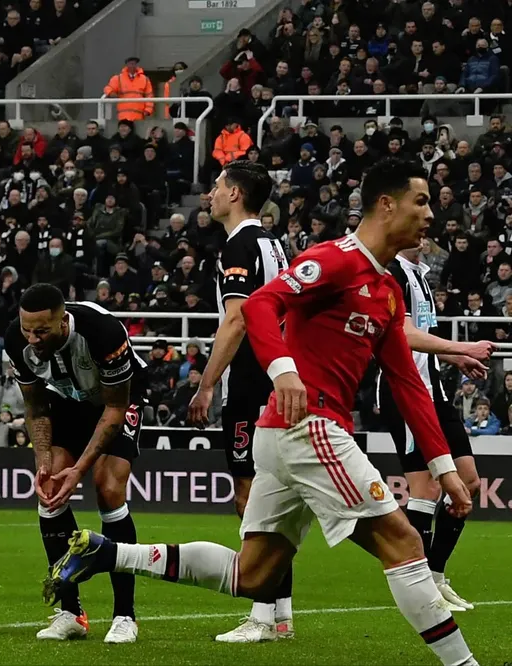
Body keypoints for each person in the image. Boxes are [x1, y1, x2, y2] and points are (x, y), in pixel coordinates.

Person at [43, 159, 478, 666]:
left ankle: (108, 552)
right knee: (404, 543)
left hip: (283, 434)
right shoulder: (336, 260)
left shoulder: (385, 291)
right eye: (421, 202)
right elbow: (259, 306)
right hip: (308, 425)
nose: (431, 215)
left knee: (253, 575)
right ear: (387, 204)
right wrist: (284, 370)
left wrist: (444, 470)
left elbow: (408, 385)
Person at [5, 284, 148, 644]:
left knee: (109, 488)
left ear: (62, 321)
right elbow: (35, 406)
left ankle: (125, 615)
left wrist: (80, 470)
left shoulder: (102, 332)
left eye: (42, 331)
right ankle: (71, 612)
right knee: (50, 487)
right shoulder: (16, 339)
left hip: (118, 398)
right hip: (67, 397)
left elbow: (114, 410)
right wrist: (43, 461)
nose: (33, 338)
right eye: (27, 330)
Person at [187, 160, 293, 642]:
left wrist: (208, 383)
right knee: (273, 495)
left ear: (234, 194)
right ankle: (282, 611)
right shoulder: (274, 243)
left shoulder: (239, 245)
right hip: (279, 377)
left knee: (251, 497)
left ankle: (262, 614)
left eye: (216, 186)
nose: (209, 194)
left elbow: (237, 320)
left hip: (251, 382)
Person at [377, 246, 494, 613]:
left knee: (469, 481)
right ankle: (419, 586)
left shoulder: (420, 275)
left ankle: (437, 576)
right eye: (419, 211)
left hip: (434, 390)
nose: (426, 224)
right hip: (404, 389)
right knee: (425, 486)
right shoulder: (392, 272)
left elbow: (425, 338)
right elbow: (404, 334)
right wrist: (464, 345)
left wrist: (455, 357)